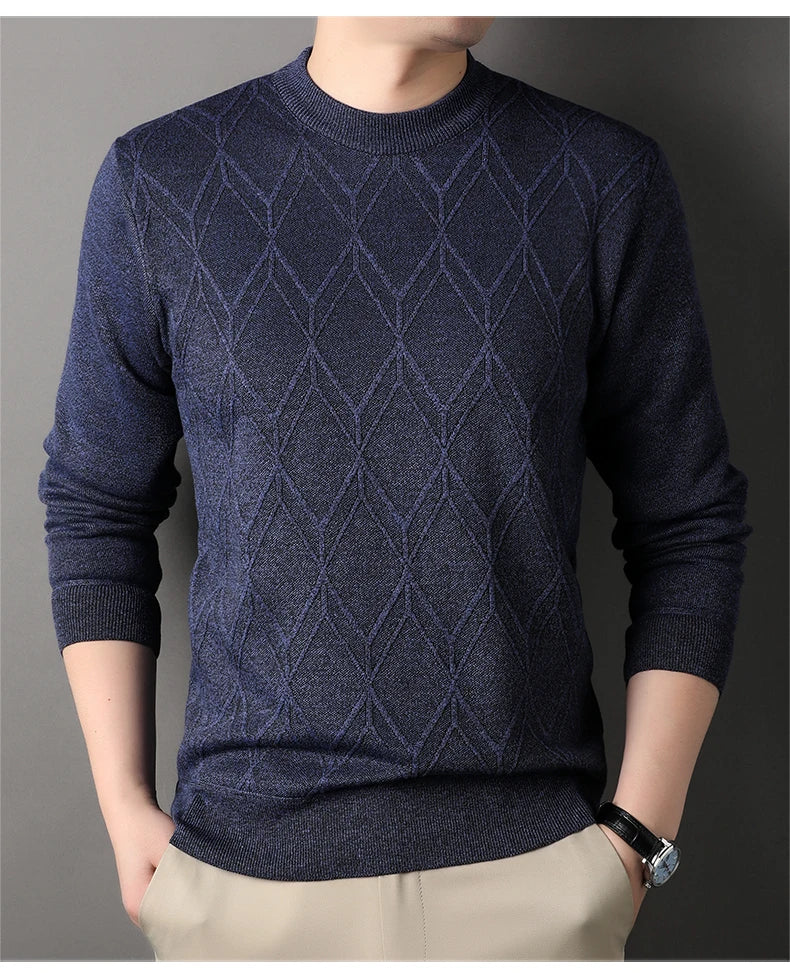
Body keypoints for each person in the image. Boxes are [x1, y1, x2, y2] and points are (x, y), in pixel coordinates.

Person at [37, 16, 752, 962]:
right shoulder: (162, 180)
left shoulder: (601, 179)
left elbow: (689, 519)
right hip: (243, 885)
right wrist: (125, 810)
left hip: (534, 882)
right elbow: (96, 506)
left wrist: (636, 835)